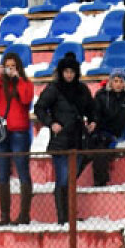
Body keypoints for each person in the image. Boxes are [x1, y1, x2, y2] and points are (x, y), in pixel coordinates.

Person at [34, 52, 94, 225]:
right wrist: (51, 123)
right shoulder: (54, 88)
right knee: (63, 179)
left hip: (78, 139)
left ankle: (70, 216)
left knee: (70, 180)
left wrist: (93, 121)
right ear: (61, 72)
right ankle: (63, 218)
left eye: (72, 71)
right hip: (60, 141)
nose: (69, 75)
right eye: (66, 71)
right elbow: (39, 108)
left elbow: (91, 108)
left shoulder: (82, 89)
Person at [0, 50, 34, 225]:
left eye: (14, 66)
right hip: (1, 133)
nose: (10, 70)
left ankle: (24, 214)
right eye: (8, 66)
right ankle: (5, 215)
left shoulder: (26, 83)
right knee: (2, 174)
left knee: (23, 172)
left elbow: (27, 99)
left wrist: (18, 79)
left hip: (19, 132)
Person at [89, 69, 125, 185]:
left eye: (121, 81)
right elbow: (95, 114)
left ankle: (101, 182)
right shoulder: (101, 96)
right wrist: (94, 123)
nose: (118, 84)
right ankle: (100, 182)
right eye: (115, 81)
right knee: (99, 149)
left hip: (116, 134)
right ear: (110, 82)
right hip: (101, 132)